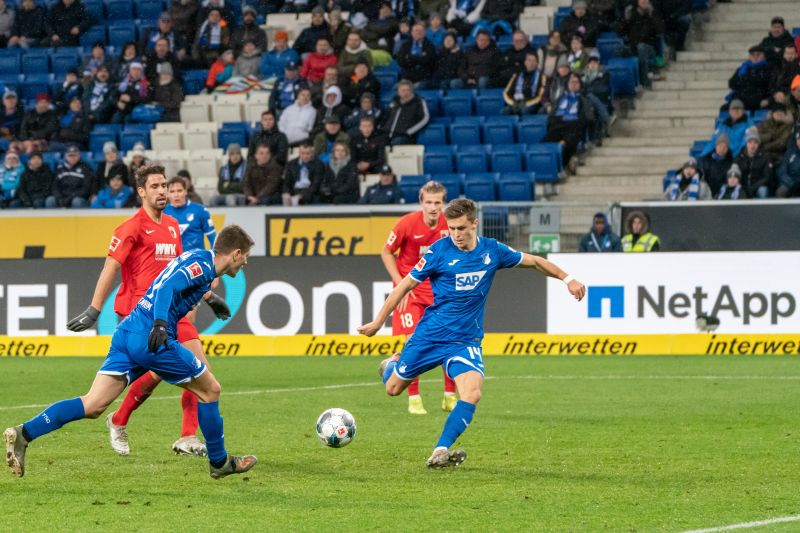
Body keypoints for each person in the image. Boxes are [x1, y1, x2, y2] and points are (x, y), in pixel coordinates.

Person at [5, 224, 257, 480]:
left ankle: (24, 434)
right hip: (151, 336)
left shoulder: (199, 258)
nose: (246, 262)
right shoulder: (202, 266)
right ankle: (219, 461)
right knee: (210, 390)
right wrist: (160, 324)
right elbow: (168, 287)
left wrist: (210, 298)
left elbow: (180, 279)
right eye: (246, 256)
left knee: (93, 404)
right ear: (236, 253)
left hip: (128, 331)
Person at [358, 198, 586, 467]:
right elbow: (404, 286)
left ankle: (440, 449)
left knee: (472, 393)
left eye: (461, 228)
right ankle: (392, 364)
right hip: (431, 336)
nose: (456, 234)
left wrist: (568, 278)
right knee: (393, 389)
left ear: (474, 223)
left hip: (465, 340)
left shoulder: (492, 251)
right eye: (452, 228)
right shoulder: (438, 251)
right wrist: (377, 322)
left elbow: (534, 261)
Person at [66, 165, 226, 457]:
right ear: (141, 191)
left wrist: (208, 295)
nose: (162, 191)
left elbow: (178, 271)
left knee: (201, 372)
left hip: (170, 314)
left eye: (164, 185)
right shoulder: (131, 227)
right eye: (155, 186)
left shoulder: (173, 226)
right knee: (154, 376)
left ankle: (187, 436)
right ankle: (118, 419)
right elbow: (111, 266)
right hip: (137, 312)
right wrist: (94, 309)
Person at [378, 180, 455, 413]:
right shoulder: (407, 223)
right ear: (421, 202)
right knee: (413, 343)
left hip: (438, 291)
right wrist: (400, 285)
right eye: (429, 202)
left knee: (447, 341)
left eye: (437, 203)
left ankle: (449, 395)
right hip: (409, 292)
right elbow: (386, 251)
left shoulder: (449, 224)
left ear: (443, 203)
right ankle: (414, 398)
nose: (433, 207)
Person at [543, 73, 593, 173]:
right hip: (557, 127)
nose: (573, 84)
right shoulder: (560, 98)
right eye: (571, 82)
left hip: (573, 128)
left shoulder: (584, 99)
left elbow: (588, 117)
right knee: (544, 145)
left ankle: (563, 166)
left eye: (576, 82)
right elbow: (552, 115)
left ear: (580, 85)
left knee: (567, 145)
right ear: (567, 84)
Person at [619, 0, 663, 89]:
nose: (644, 1)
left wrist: (651, 15)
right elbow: (621, 31)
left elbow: (660, 30)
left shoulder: (652, 13)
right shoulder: (632, 13)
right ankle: (624, 84)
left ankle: (645, 80)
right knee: (619, 49)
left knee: (641, 47)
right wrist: (627, 19)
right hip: (633, 47)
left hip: (650, 48)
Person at [165, 176, 216, 251]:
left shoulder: (200, 210)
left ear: (185, 191)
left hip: (196, 257)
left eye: (179, 191)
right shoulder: (162, 212)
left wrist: (212, 256)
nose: (176, 195)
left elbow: (213, 239)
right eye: (172, 191)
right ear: (167, 194)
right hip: (173, 258)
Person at [381, 80, 429, 145]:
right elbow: (386, 116)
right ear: (398, 92)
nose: (406, 93)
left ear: (412, 91)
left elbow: (425, 118)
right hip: (387, 134)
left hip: (404, 136)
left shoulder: (419, 102)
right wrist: (381, 128)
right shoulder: (394, 101)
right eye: (403, 90)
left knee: (395, 143)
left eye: (408, 90)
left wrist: (409, 132)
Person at [727, 45, 771, 112]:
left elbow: (761, 82)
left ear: (764, 56)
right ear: (749, 56)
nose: (755, 57)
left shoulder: (768, 68)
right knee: (725, 108)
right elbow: (732, 83)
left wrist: (744, 80)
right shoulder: (743, 68)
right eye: (752, 55)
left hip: (759, 98)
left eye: (758, 54)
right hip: (742, 98)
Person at [397, 22, 437, 88]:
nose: (418, 32)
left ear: (424, 33)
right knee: (396, 88)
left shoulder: (430, 45)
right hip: (407, 78)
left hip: (423, 78)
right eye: (416, 30)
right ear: (412, 33)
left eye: (420, 31)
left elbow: (428, 61)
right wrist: (420, 57)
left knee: (414, 88)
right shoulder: (405, 45)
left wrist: (409, 57)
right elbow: (400, 60)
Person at [735, 128, 772, 198]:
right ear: (746, 143)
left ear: (759, 144)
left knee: (763, 190)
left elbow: (767, 177)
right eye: (750, 142)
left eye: (755, 142)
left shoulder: (765, 157)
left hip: (758, 187)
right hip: (743, 188)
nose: (752, 146)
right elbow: (735, 174)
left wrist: (753, 188)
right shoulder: (739, 157)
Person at [776, 131, 800, 198]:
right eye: (799, 139)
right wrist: (791, 183)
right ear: (796, 141)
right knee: (781, 191)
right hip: (791, 183)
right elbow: (781, 171)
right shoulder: (789, 153)